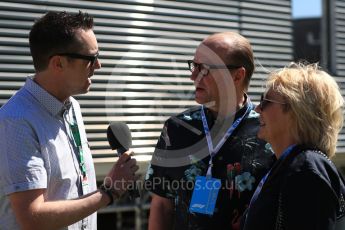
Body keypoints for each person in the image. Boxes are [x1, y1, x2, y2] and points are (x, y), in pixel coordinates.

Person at [0, 11, 139, 230]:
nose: (99, 65)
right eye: (91, 59)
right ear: (58, 64)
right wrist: (109, 193)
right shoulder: (16, 121)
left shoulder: (71, 105)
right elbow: (32, 217)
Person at [145, 32, 274, 230]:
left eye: (204, 68)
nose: (193, 76)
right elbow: (162, 205)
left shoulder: (270, 129)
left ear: (237, 75)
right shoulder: (177, 128)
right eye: (194, 65)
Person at [241, 62, 345, 230]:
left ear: (296, 111)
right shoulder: (291, 163)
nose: (258, 109)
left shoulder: (306, 168)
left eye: (265, 101)